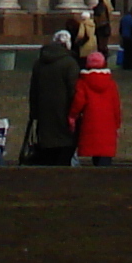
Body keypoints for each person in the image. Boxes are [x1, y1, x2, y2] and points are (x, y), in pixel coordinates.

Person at [25, 28, 79, 166]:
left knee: (47, 161)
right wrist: (75, 115)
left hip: (44, 123)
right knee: (63, 161)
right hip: (64, 122)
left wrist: (34, 114)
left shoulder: (39, 63)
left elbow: (33, 92)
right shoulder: (70, 63)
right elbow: (74, 92)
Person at [70, 47, 122, 165]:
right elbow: (116, 106)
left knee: (95, 155)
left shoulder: (83, 82)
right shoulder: (111, 83)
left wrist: (72, 116)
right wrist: (117, 124)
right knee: (105, 156)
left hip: (90, 122)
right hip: (108, 124)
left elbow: (79, 102)